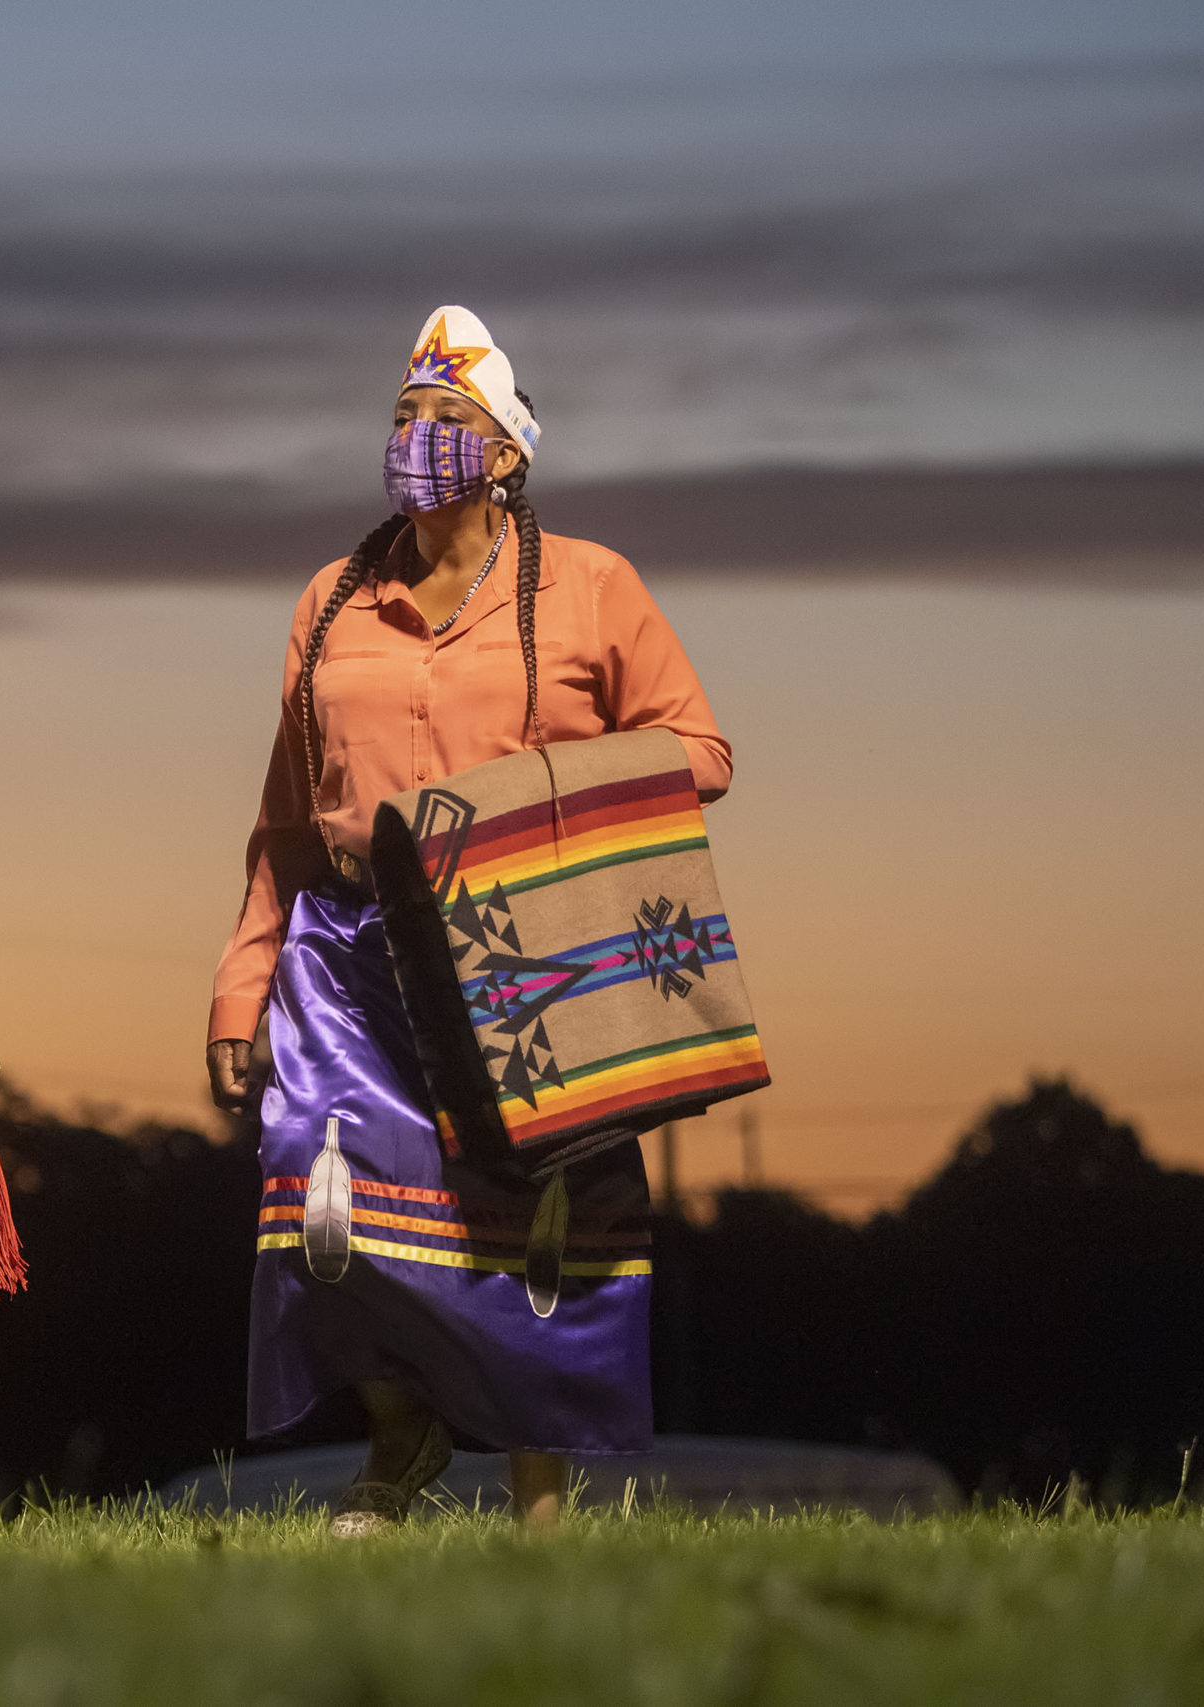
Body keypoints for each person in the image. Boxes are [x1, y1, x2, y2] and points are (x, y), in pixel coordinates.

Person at [207, 307, 733, 1533]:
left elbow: (699, 752)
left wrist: (524, 795)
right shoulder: (330, 602)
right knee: (327, 1203)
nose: (420, 439)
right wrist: (242, 986)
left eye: (449, 421)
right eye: (404, 417)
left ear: (507, 452)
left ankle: (536, 1500)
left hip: (525, 945)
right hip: (343, 953)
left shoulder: (593, 586)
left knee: (526, 1224)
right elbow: (287, 820)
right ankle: (400, 1443)